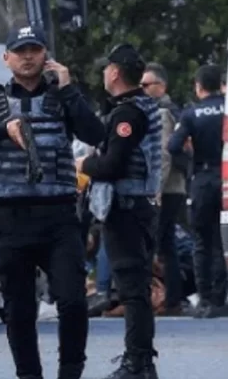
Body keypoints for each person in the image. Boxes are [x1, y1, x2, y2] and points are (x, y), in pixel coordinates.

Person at [0, 25, 105, 379]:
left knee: (72, 300)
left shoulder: (63, 98)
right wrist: (1, 130)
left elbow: (96, 134)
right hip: (10, 217)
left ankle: (70, 372)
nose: (28, 57)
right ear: (6, 58)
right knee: (18, 309)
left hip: (59, 216)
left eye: (34, 49)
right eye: (20, 51)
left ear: (46, 55)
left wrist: (69, 89)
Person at [79, 43, 161, 379]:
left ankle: (137, 363)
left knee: (132, 290)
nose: (103, 73)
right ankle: (142, 361)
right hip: (137, 208)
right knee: (135, 288)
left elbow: (112, 165)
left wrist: (83, 164)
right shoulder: (140, 107)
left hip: (126, 211)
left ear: (114, 73)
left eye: (106, 68)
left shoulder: (127, 114)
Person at [168, 64, 228, 319]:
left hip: (202, 178)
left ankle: (205, 300)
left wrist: (191, 160)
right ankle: (225, 298)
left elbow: (173, 146)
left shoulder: (191, 113)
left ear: (198, 86)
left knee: (202, 241)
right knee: (224, 241)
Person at [141, 63, 189, 315]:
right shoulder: (173, 110)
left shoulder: (162, 113)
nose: (142, 89)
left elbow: (163, 154)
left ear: (161, 86)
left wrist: (155, 189)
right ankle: (172, 299)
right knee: (166, 242)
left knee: (159, 243)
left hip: (166, 188)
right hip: (175, 185)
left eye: (146, 84)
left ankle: (167, 300)